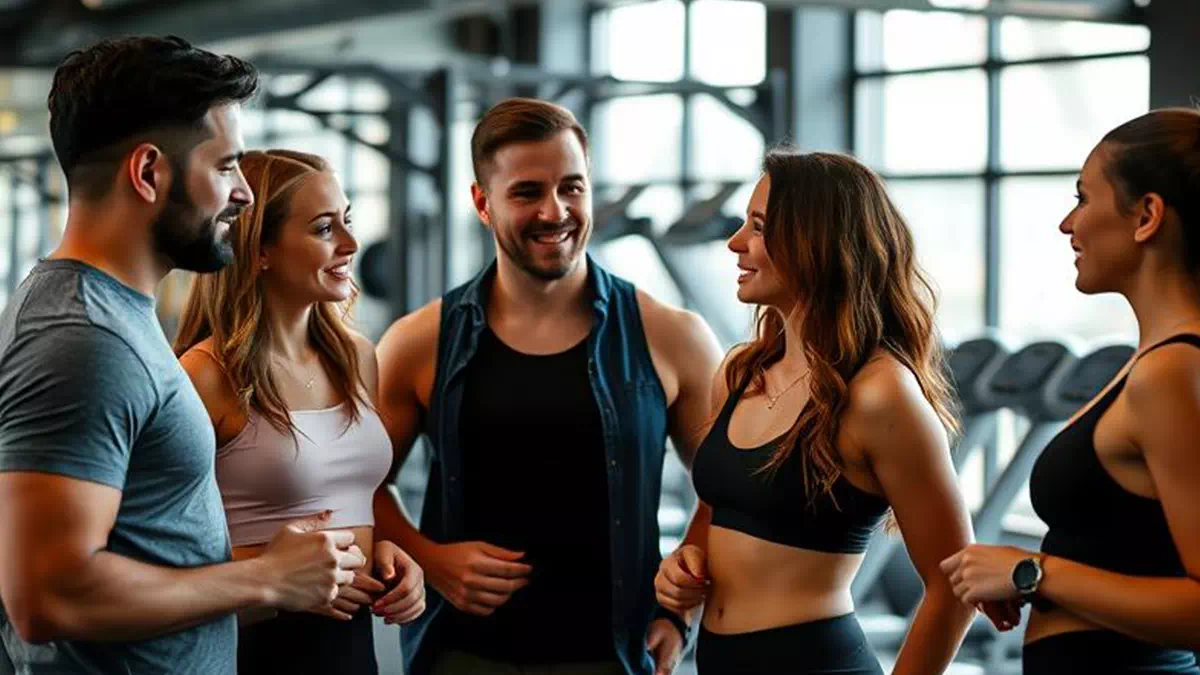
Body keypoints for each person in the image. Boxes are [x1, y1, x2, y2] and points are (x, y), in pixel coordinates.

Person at [0, 36, 365, 675]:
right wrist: (267, 579)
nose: (244, 194)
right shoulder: (85, 338)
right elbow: (48, 597)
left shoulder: (110, 316)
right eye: (225, 167)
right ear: (148, 173)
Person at [373, 97, 725, 675]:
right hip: (463, 657)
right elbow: (351, 484)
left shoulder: (671, 335)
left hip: (613, 655)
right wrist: (430, 558)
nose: (554, 211)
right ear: (483, 204)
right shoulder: (421, 341)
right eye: (527, 192)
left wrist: (680, 610)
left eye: (572, 187)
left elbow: (728, 487)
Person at [654, 149, 978, 674]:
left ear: (817, 243)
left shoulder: (880, 394)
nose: (736, 243)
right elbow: (715, 512)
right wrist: (685, 566)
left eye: (759, 227)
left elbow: (953, 585)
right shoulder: (740, 372)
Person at [941, 108, 1200, 674]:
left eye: (1083, 198)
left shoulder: (1174, 370)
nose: (1067, 224)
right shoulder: (1156, 361)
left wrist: (1032, 573)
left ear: (1147, 216)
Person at [173, 149, 427, 674]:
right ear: (261, 249)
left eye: (347, 220)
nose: (351, 244)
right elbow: (156, 558)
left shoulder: (356, 358)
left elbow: (355, 500)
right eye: (324, 228)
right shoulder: (204, 376)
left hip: (351, 653)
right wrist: (278, 574)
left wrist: (387, 553)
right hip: (255, 651)